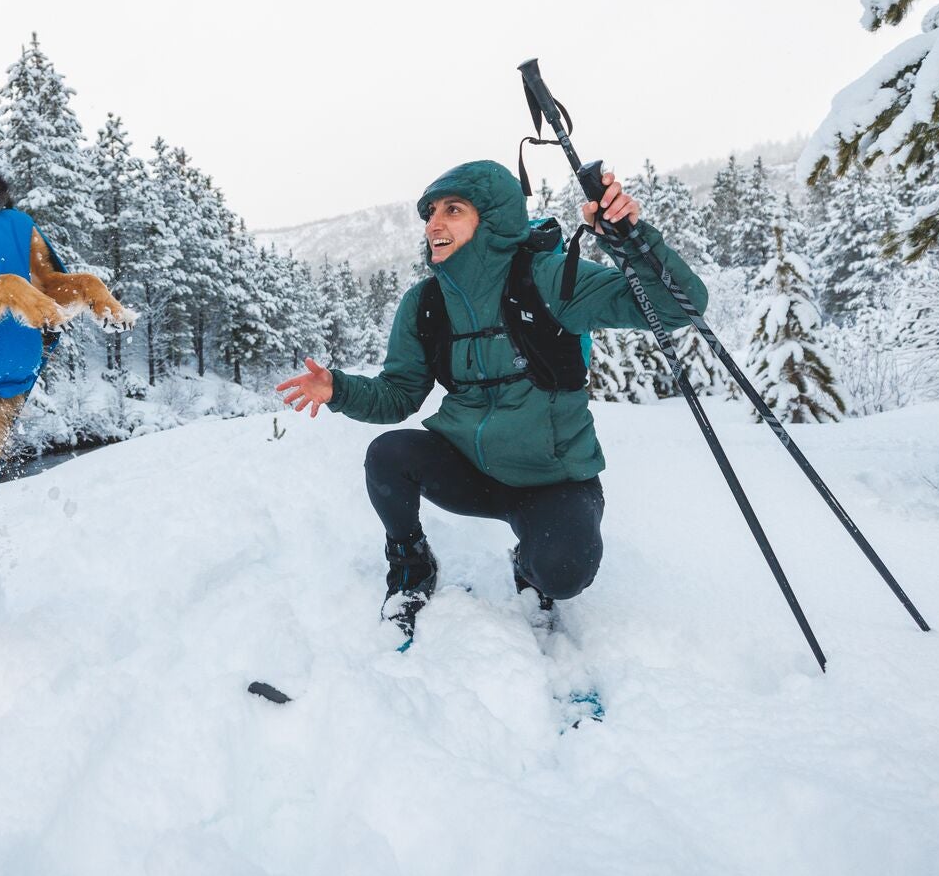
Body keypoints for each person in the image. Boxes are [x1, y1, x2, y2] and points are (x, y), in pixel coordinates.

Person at [276, 159, 708, 641]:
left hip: (553, 480)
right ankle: (410, 562)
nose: (434, 224)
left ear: (495, 219)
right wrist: (340, 389)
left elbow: (674, 306)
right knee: (388, 455)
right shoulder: (426, 303)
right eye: (430, 213)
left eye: (453, 210)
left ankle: (529, 561)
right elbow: (399, 395)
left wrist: (627, 239)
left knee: (564, 572)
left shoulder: (548, 279)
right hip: (471, 474)